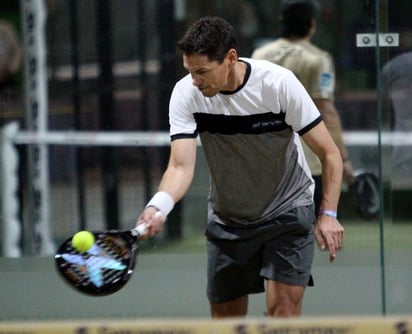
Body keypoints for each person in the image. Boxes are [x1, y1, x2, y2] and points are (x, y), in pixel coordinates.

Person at [136, 16, 344, 318]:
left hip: (287, 211)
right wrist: (159, 206)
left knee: (284, 313)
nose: (195, 80)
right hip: (228, 219)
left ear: (230, 58)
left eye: (203, 71)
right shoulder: (186, 94)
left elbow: (330, 154)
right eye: (190, 71)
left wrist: (328, 214)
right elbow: (180, 166)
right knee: (225, 322)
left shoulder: (278, 84)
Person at [252, 0, 354, 215]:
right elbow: (325, 109)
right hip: (307, 156)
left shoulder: (259, 56)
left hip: (265, 154)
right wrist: (343, 159)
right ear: (312, 25)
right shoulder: (318, 60)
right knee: (303, 225)